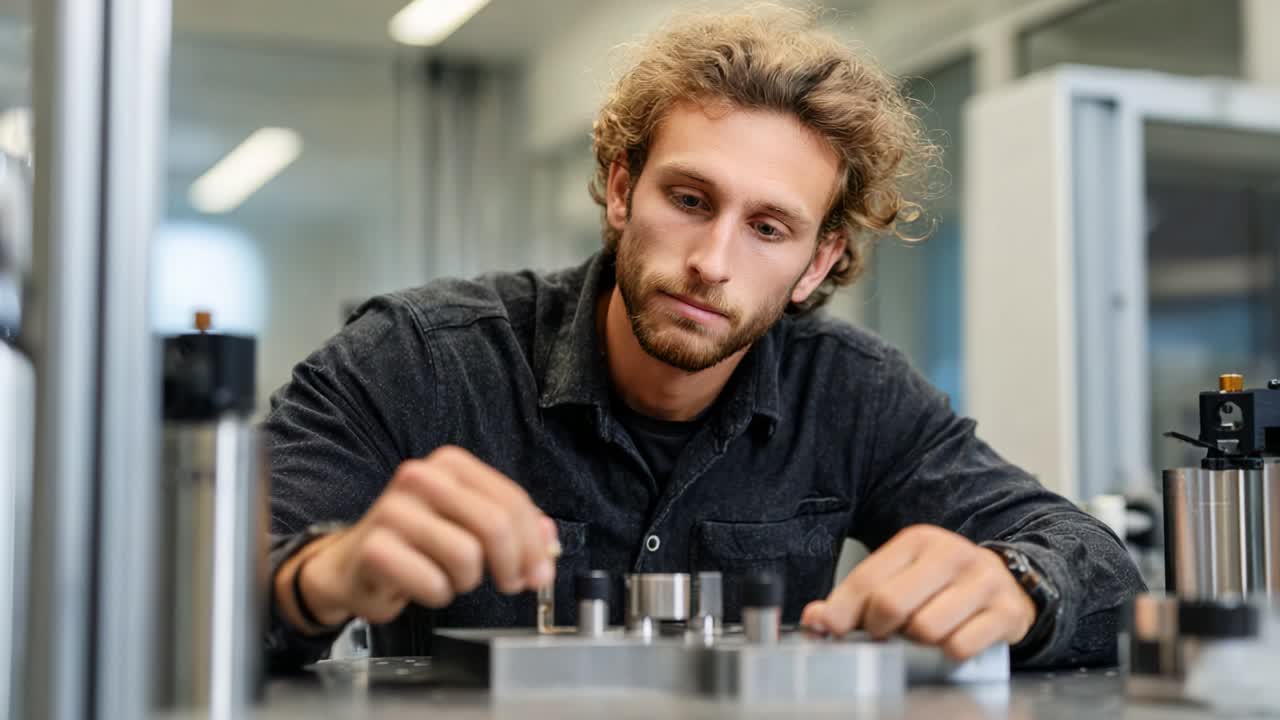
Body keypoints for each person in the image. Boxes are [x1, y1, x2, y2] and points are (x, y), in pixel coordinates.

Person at [263, 6, 1144, 671]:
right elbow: (192, 582)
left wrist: (1016, 588)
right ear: (620, 191)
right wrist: (319, 578)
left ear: (817, 260)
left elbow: (1102, 571)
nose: (711, 262)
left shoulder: (852, 393)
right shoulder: (419, 359)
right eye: (689, 200)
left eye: (768, 228)